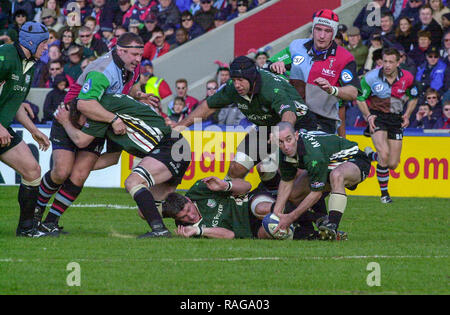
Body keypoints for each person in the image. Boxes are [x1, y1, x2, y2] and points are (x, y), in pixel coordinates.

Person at [34, 33, 147, 235]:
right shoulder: (102, 70)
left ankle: (50, 221)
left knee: (79, 175)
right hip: (71, 117)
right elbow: (85, 104)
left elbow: (132, 85)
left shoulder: (131, 65)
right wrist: (113, 119)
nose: (138, 59)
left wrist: (139, 95)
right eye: (134, 54)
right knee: (61, 172)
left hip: (99, 119)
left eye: (140, 54)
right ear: (120, 51)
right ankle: (34, 214)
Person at [54, 93, 191, 238]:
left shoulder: (105, 108)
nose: (87, 127)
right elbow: (112, 159)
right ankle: (195, 219)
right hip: (175, 149)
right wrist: (78, 168)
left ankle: (160, 230)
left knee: (133, 182)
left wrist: (66, 122)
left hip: (170, 145)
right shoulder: (110, 122)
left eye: (84, 124)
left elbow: (81, 141)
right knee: (147, 211)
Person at [174, 56, 317, 183]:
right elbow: (207, 106)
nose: (236, 84)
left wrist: (281, 137)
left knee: (294, 172)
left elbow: (289, 114)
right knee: (236, 168)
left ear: (252, 78)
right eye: (234, 79)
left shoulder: (270, 87)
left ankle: (316, 210)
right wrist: (180, 126)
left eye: (240, 80)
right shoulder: (232, 88)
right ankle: (256, 198)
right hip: (265, 127)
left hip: (297, 124)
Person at [269, 123, 370, 240]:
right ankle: (321, 221)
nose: (286, 146)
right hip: (328, 164)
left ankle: (332, 226)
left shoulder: (313, 155)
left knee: (336, 176)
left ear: (296, 135)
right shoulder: (283, 153)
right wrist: (276, 214)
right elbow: (286, 182)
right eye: (281, 142)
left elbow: (316, 193)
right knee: (294, 195)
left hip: (354, 159)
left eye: (288, 139)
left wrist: (291, 217)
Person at [269, 9, 360, 137]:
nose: (321, 36)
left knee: (307, 152)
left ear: (333, 34)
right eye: (318, 29)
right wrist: (274, 65)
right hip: (292, 113)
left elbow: (353, 92)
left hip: (322, 119)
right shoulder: (296, 46)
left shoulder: (345, 58)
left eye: (327, 31)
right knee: (260, 146)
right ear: (313, 30)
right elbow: (267, 65)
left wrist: (332, 90)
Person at [0, 21, 51, 237]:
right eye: (45, 43)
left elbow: (15, 102)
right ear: (32, 41)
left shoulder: (29, 64)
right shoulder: (5, 55)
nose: (47, 47)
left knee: (32, 170)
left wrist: (33, 130)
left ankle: (27, 228)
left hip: (3, 129)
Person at [356, 48, 419, 203]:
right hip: (378, 118)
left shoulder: (408, 77)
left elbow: (414, 97)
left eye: (391, 62)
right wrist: (368, 116)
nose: (387, 65)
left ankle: (371, 155)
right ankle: (384, 195)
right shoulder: (371, 77)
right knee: (384, 154)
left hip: (396, 119)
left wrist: (407, 115)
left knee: (392, 164)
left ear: (399, 62)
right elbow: (359, 97)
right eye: (385, 61)